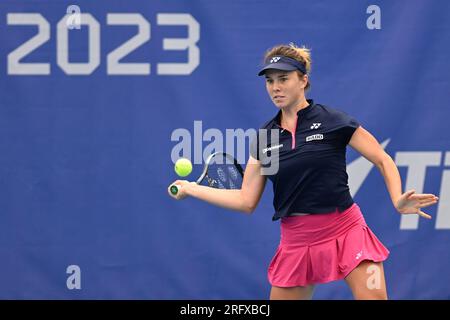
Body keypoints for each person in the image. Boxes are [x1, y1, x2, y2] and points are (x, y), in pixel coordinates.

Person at [168, 43, 439, 300]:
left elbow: (381, 158)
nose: (275, 87)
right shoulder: (265, 138)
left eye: (283, 78)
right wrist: (191, 188)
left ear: (303, 80)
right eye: (270, 80)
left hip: (346, 230)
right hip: (296, 241)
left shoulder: (333, 121)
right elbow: (245, 200)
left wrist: (397, 198)